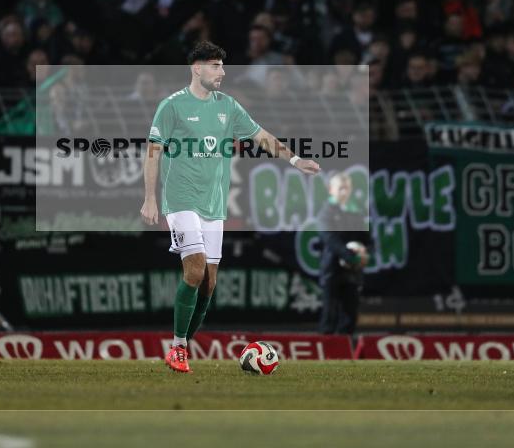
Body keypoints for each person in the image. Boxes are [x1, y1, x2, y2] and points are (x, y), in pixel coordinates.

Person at [140, 40, 320, 373]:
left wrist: (295, 160)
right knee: (194, 270)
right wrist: (150, 197)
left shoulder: (228, 106)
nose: (222, 72)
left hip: (214, 203)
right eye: (215, 66)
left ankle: (181, 346)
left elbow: (260, 136)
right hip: (181, 200)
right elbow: (153, 151)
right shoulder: (172, 106)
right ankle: (178, 348)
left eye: (222, 66)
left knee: (209, 283)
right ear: (197, 69)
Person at [316, 173, 371, 337]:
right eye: (340, 188)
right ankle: (325, 348)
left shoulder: (356, 213)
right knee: (330, 315)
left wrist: (364, 252)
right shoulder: (326, 212)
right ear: (331, 190)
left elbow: (366, 239)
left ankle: (345, 350)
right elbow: (329, 239)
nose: (344, 192)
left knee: (349, 315)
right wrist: (349, 255)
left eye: (347, 188)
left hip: (352, 273)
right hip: (332, 270)